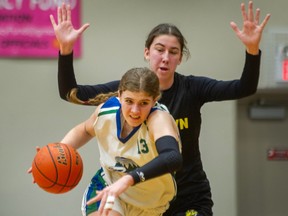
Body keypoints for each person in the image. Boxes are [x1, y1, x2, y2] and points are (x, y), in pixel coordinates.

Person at [50, 1, 270, 215]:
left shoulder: (191, 89)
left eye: (173, 52)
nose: (165, 57)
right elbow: (72, 94)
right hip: (139, 193)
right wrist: (66, 49)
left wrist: (252, 51)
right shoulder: (125, 92)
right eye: (159, 49)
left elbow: (244, 88)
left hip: (186, 193)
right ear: (147, 52)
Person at [30, 67, 183, 216]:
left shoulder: (159, 119)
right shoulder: (107, 111)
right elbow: (84, 130)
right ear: (120, 95)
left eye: (143, 103)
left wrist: (128, 180)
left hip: (152, 204)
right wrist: (56, 154)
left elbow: (172, 157)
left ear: (154, 100)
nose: (135, 110)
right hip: (109, 188)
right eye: (129, 101)